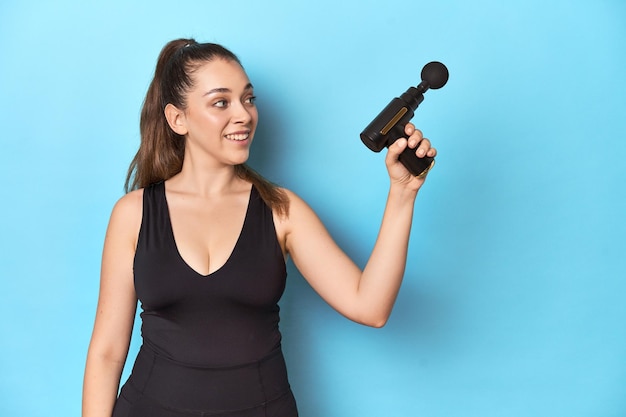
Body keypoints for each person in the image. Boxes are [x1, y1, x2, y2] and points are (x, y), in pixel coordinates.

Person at [82, 38, 437, 417]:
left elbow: (371, 307)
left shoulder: (282, 210)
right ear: (177, 119)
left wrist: (402, 194)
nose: (244, 115)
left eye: (248, 99)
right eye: (221, 102)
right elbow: (106, 353)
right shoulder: (133, 214)